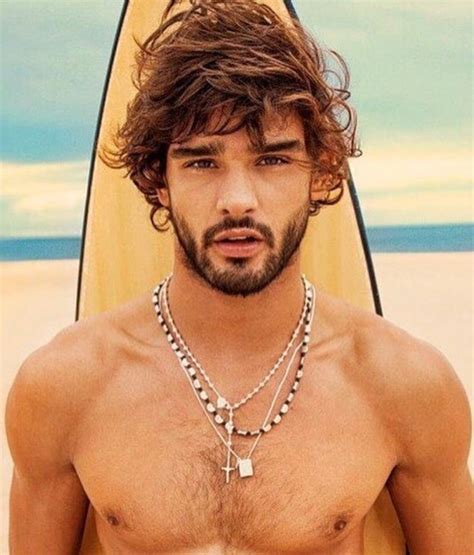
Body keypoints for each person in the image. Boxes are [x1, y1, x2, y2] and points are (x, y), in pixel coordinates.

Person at [6, 0, 472, 553]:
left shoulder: (405, 386)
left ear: (320, 172)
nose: (237, 201)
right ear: (159, 179)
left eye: (272, 160)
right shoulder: (64, 385)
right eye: (202, 162)